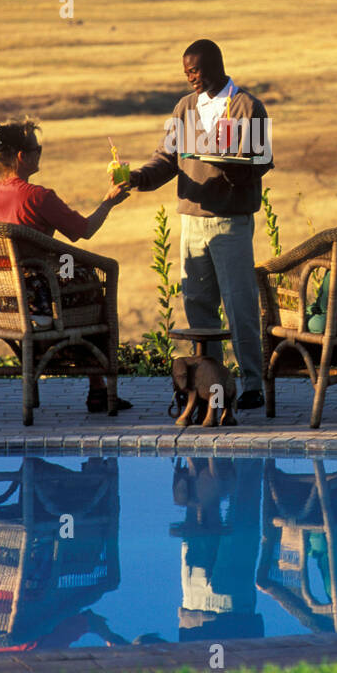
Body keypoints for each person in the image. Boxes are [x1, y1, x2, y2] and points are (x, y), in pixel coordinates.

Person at [129, 40, 273, 409]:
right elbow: (167, 157)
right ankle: (214, 385)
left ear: (215, 64)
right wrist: (138, 178)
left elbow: (262, 162)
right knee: (198, 304)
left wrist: (230, 167)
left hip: (231, 222)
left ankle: (254, 383)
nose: (191, 79)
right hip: (192, 220)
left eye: (195, 71)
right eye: (186, 73)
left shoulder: (248, 107)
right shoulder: (185, 107)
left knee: (240, 304)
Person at [0, 118, 131, 412]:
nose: (40, 154)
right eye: (36, 149)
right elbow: (84, 230)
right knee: (89, 288)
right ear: (21, 156)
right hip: (34, 305)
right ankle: (97, 386)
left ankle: (93, 387)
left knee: (73, 283)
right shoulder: (39, 198)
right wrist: (109, 201)